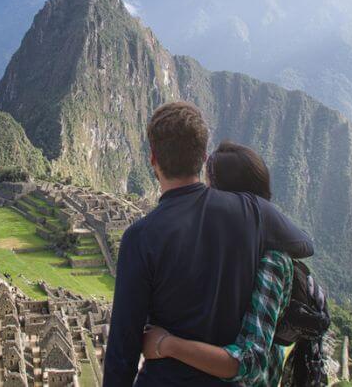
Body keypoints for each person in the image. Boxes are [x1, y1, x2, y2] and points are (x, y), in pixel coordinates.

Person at [103, 102, 313, 386]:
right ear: (203, 158)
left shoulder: (140, 237)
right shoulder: (252, 212)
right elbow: (303, 244)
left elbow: (123, 349)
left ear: (153, 159)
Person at [142, 141, 296, 386]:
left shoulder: (271, 259)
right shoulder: (216, 243)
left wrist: (167, 345)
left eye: (209, 187)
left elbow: (252, 361)